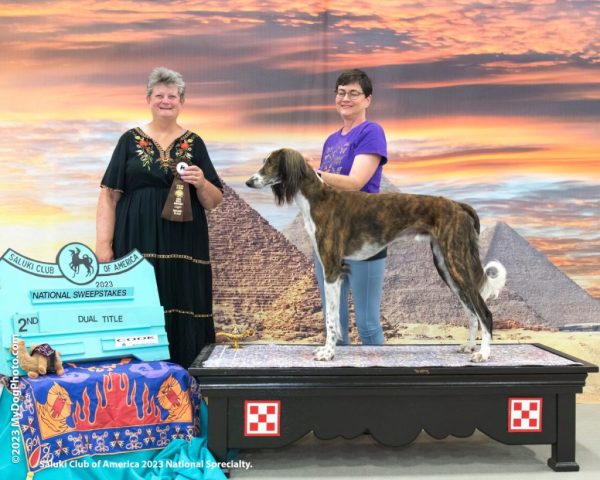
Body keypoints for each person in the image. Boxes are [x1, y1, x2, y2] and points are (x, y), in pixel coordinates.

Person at [96, 67, 223, 368]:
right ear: (148, 100)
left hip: (184, 242)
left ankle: (185, 379)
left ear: (182, 101)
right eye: (159, 95)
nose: (166, 101)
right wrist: (103, 245)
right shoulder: (129, 141)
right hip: (136, 238)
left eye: (172, 96)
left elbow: (213, 201)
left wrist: (201, 182)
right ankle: (135, 380)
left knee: (182, 300)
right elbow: (109, 195)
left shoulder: (195, 143)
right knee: (139, 302)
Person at [314, 69, 388, 345]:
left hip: (363, 233)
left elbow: (356, 182)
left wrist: (310, 175)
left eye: (354, 93)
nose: (345, 98)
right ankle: (340, 374)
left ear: (368, 99)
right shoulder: (331, 140)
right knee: (334, 325)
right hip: (328, 233)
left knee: (367, 324)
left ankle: (378, 374)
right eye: (341, 92)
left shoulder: (371, 131)